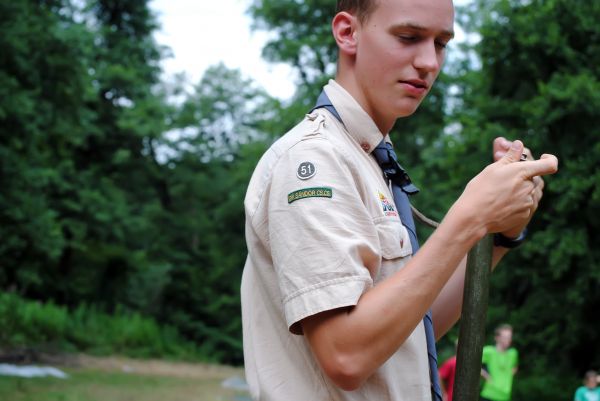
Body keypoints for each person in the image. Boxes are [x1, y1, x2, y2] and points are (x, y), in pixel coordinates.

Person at [240, 0, 558, 400]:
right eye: (409, 37)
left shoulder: (370, 158)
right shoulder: (315, 159)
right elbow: (346, 355)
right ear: (347, 33)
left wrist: (498, 234)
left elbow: (410, 329)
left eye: (441, 43)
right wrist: (470, 218)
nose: (429, 62)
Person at [480, 324, 519, 401]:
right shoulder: (489, 351)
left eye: (509, 337)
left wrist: (508, 375)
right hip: (489, 394)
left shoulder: (513, 353)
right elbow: (473, 365)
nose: (508, 339)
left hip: (505, 396)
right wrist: (485, 375)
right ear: (497, 338)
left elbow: (515, 367)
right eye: (505, 337)